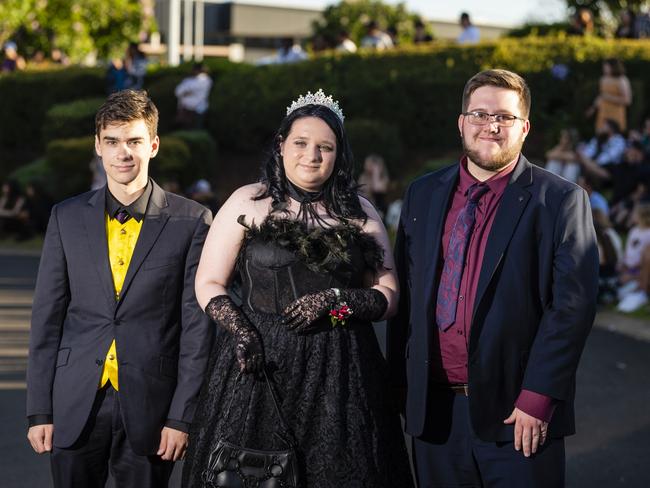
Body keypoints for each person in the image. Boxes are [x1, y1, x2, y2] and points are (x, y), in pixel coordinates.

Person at [182, 89, 413, 487]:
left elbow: (388, 294)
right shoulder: (246, 202)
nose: (312, 155)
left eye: (325, 147)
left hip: (343, 372)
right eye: (301, 143)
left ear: (339, 154)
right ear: (281, 145)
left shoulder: (360, 213)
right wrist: (240, 331)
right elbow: (209, 282)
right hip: (258, 365)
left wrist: (337, 303)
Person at [388, 69, 598, 487]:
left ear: (524, 128)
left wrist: (538, 398)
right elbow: (407, 296)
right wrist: (399, 390)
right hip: (434, 414)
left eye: (504, 117)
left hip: (518, 415)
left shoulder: (560, 200)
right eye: (480, 114)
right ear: (461, 122)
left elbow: (571, 307)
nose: (491, 126)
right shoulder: (422, 193)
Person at [26, 89, 214, 488]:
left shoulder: (193, 221)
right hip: (75, 402)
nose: (123, 152)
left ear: (154, 145)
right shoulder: (66, 217)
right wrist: (40, 410)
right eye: (112, 141)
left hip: (152, 408)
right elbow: (47, 319)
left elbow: (197, 330)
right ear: (98, 146)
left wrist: (182, 417)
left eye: (134, 141)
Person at [616, 200, 650, 312]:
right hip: (627, 268)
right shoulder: (633, 231)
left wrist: (633, 272)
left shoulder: (648, 233)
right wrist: (623, 264)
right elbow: (628, 250)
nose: (632, 215)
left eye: (635, 213)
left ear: (643, 216)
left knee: (623, 290)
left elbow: (645, 259)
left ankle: (638, 289)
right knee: (619, 286)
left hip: (637, 270)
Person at [586, 58, 632, 133]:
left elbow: (627, 100)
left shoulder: (622, 80)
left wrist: (608, 97)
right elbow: (601, 96)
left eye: (606, 67)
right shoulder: (603, 79)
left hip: (615, 114)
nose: (604, 69)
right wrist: (593, 108)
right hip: (603, 113)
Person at [174, 62, 213, 129]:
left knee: (194, 129)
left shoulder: (205, 80)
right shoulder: (189, 80)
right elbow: (178, 92)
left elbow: (181, 91)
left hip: (198, 109)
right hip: (186, 109)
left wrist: (187, 92)